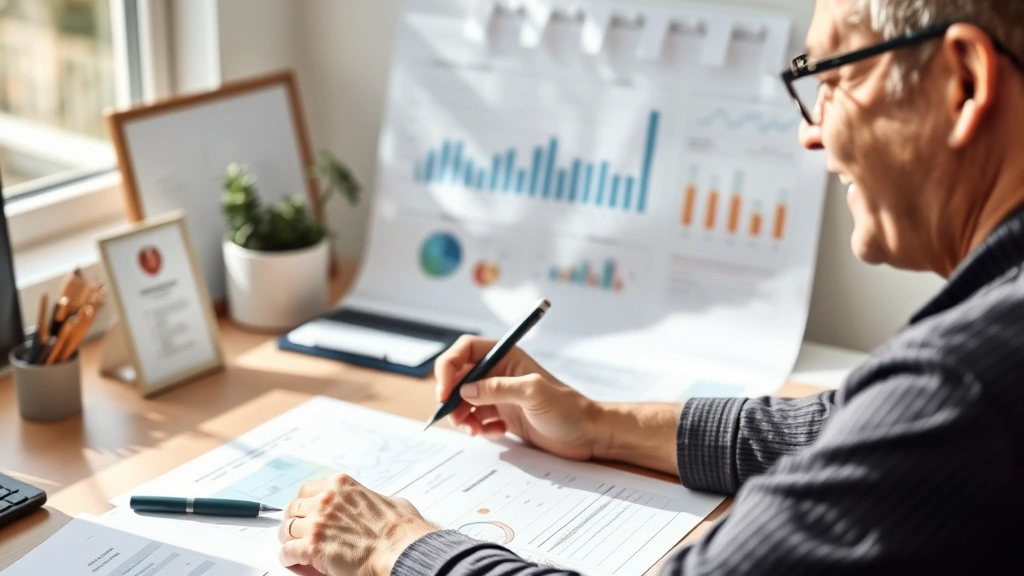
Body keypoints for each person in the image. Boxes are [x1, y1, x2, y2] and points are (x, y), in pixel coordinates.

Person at [276, 0, 1024, 573]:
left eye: (833, 79)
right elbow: (850, 424)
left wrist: (395, 545)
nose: (811, 131)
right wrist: (597, 422)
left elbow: (913, 415)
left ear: (962, 83)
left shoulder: (964, 385)